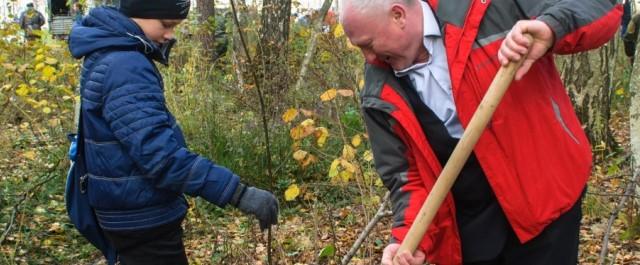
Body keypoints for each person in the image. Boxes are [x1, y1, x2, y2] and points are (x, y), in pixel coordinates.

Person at [340, 0, 621, 264]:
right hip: (470, 233)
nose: (368, 57)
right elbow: (407, 177)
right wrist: (407, 241)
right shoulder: (378, 92)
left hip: (546, 201)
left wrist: (551, 27)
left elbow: (602, 7)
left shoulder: (484, 7)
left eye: (368, 44)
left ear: (398, 15)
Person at [67, 0, 279, 264]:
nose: (170, 35)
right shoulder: (125, 66)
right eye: (166, 25)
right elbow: (159, 155)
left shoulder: (108, 52)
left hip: (124, 208)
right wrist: (240, 194)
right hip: (141, 216)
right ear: (136, 15)